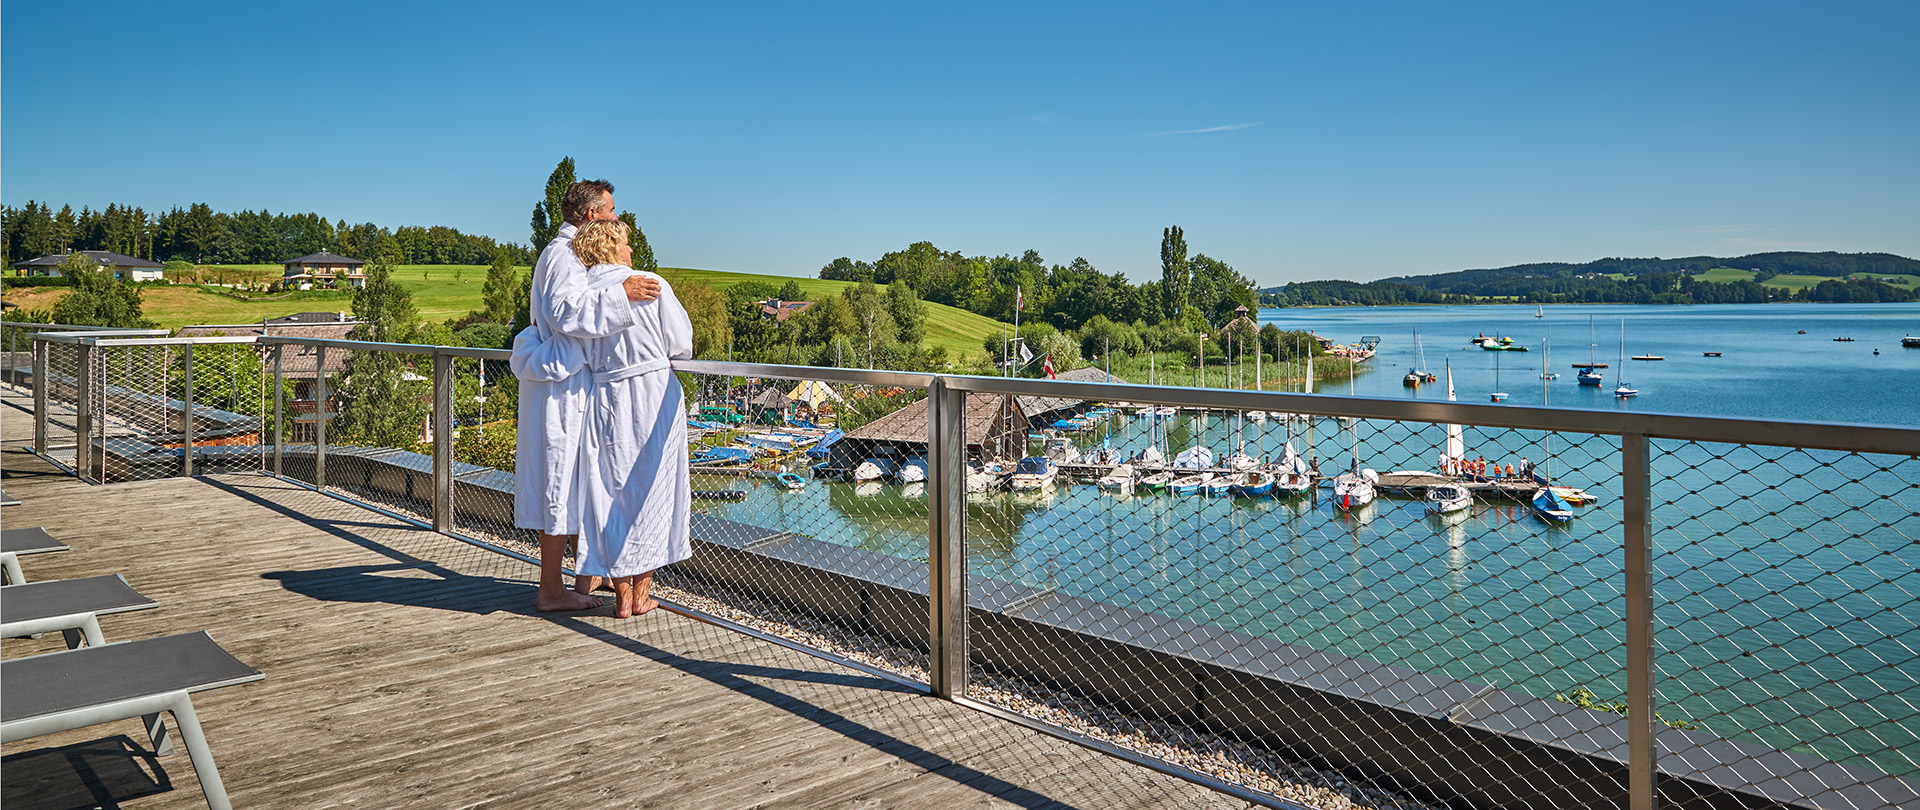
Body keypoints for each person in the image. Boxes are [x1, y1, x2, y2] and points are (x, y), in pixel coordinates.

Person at [510, 179, 660, 612]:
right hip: (562, 391)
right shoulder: (562, 255)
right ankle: (552, 591)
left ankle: (589, 576)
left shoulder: (567, 254)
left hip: (570, 385)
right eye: (611, 210)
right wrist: (622, 293)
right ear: (592, 214)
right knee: (560, 483)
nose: (616, 217)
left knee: (578, 484)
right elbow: (564, 312)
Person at [568, 219, 694, 618]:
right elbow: (682, 344)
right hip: (654, 394)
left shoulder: (582, 294)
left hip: (605, 395)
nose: (631, 251)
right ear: (610, 246)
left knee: (611, 495)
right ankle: (640, 596)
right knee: (654, 494)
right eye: (625, 243)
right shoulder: (648, 283)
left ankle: (621, 595)